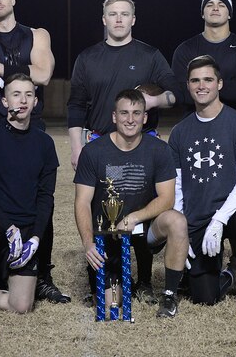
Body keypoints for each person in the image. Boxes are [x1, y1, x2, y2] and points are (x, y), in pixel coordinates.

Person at [67, 0, 183, 303]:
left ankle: (144, 279)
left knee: (141, 207)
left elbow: (174, 93)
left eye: (125, 14)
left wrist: (153, 100)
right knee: (105, 211)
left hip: (142, 142)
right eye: (113, 14)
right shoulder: (88, 57)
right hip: (100, 144)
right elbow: (77, 104)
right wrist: (77, 146)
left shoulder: (149, 55)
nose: (118, 19)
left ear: (133, 19)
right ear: (104, 20)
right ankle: (114, 273)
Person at [0, 0, 68, 304]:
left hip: (31, 124)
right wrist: (22, 71)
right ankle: (0, 272)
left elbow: (43, 75)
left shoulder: (38, 34)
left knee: (39, 196)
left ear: (13, 0)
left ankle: (43, 275)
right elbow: (1, 71)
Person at [168, 55, 236, 324]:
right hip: (198, 216)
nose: (202, 86)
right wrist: (181, 230)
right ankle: (233, 274)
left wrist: (220, 218)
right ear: (188, 85)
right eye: (195, 80)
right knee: (204, 297)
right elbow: (176, 186)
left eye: (208, 80)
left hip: (231, 213)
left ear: (220, 84)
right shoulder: (179, 132)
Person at [73, 89, 188, 318]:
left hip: (144, 227)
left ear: (145, 118)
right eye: (124, 113)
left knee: (177, 221)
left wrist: (136, 216)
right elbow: (82, 202)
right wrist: (88, 243)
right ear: (114, 117)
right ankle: (122, 281)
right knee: (112, 307)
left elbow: (167, 198)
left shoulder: (159, 150)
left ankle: (168, 295)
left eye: (137, 113)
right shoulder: (93, 152)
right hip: (108, 233)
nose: (130, 119)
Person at [0, 73, 60, 335]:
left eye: (29, 94)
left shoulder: (45, 143)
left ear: (35, 102)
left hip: (26, 229)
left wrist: (36, 239)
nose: (23, 100)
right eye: (16, 94)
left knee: (21, 306)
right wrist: (7, 227)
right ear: (5, 102)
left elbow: (45, 198)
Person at [171, 0, 236, 114]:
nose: (215, 8)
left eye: (222, 5)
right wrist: (226, 86)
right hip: (193, 122)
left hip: (232, 124)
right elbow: (181, 93)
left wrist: (199, 86)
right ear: (202, 13)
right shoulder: (185, 49)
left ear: (229, 14)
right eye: (210, 4)